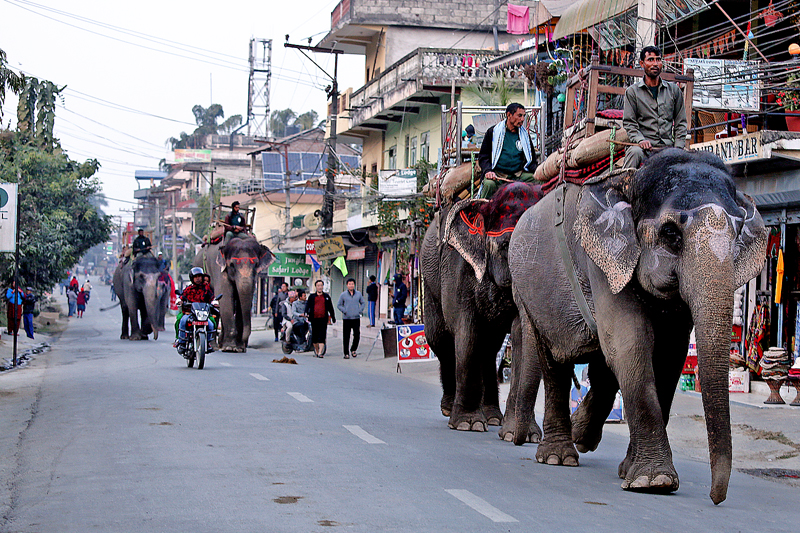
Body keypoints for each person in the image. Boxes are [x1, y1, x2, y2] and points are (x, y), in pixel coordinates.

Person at [622, 45, 687, 169]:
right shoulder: (632, 92)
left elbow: (681, 123)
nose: (655, 63)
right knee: (634, 153)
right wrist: (640, 140)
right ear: (642, 63)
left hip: (667, 149)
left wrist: (678, 149)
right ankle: (625, 187)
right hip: (643, 149)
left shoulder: (674, 91)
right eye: (650, 60)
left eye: (658, 59)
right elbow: (630, 123)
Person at [477, 102, 539, 199]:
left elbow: (532, 159)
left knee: (541, 181)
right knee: (489, 184)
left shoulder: (525, 136)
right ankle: (480, 210)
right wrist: (488, 171)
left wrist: (540, 171)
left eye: (523, 116)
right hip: (498, 176)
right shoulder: (493, 132)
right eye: (519, 115)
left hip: (518, 175)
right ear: (509, 115)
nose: (522, 119)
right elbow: (483, 157)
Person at [176, 267, 216, 353]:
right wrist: (179, 301)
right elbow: (182, 297)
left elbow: (212, 298)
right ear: (192, 278)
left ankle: (208, 343)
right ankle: (182, 343)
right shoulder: (188, 289)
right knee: (182, 321)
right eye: (195, 277)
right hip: (190, 314)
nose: (198, 278)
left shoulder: (206, 289)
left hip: (203, 314)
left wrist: (214, 302)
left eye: (199, 276)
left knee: (211, 324)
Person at [305, 279, 336, 358]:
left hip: (323, 319)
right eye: (318, 286)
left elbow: (330, 308)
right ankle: (317, 350)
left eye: (321, 285)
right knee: (315, 337)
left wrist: (333, 317)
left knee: (322, 335)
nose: (320, 287)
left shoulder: (326, 297)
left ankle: (320, 353)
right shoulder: (312, 297)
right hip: (314, 319)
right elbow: (307, 306)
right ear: (316, 287)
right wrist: (306, 313)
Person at [337, 278, 365, 359]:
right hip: (347, 318)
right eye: (349, 284)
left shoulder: (358, 294)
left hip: (356, 318)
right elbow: (339, 305)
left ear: (354, 285)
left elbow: (363, 303)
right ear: (347, 285)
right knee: (346, 336)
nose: (351, 285)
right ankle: (346, 353)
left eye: (352, 284)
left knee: (357, 335)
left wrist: (359, 310)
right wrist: (344, 311)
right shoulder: (343, 295)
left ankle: (353, 349)